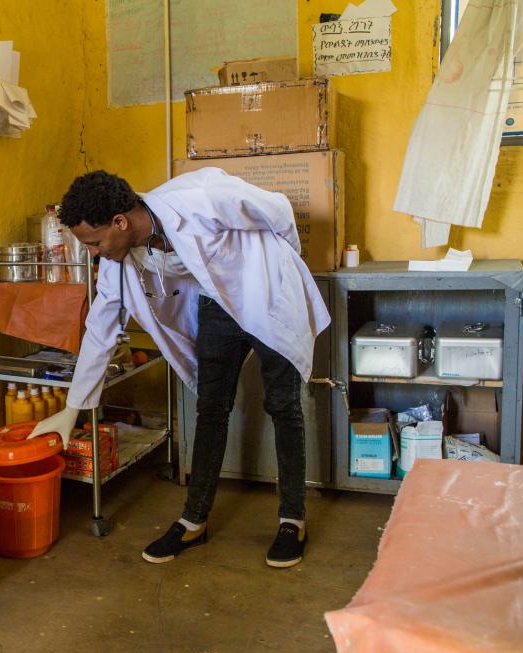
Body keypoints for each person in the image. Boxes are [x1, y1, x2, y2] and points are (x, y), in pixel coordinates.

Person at [28, 168, 330, 568]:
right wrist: (73, 408)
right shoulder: (119, 261)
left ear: (120, 222)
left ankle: (292, 519)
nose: (94, 253)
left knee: (283, 406)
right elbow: (100, 327)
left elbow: (277, 211)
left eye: (96, 243)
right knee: (211, 408)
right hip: (216, 304)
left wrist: (283, 265)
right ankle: (193, 522)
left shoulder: (200, 195)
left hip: (268, 292)